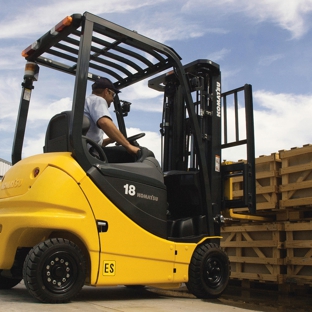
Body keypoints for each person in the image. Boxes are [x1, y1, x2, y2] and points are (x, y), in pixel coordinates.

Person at [84, 78, 140, 162]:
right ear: (106, 91)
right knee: (142, 154)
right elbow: (104, 122)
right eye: (113, 95)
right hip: (92, 154)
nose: (113, 99)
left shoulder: (86, 102)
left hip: (87, 151)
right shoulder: (98, 100)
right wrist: (128, 146)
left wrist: (111, 139)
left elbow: (93, 143)